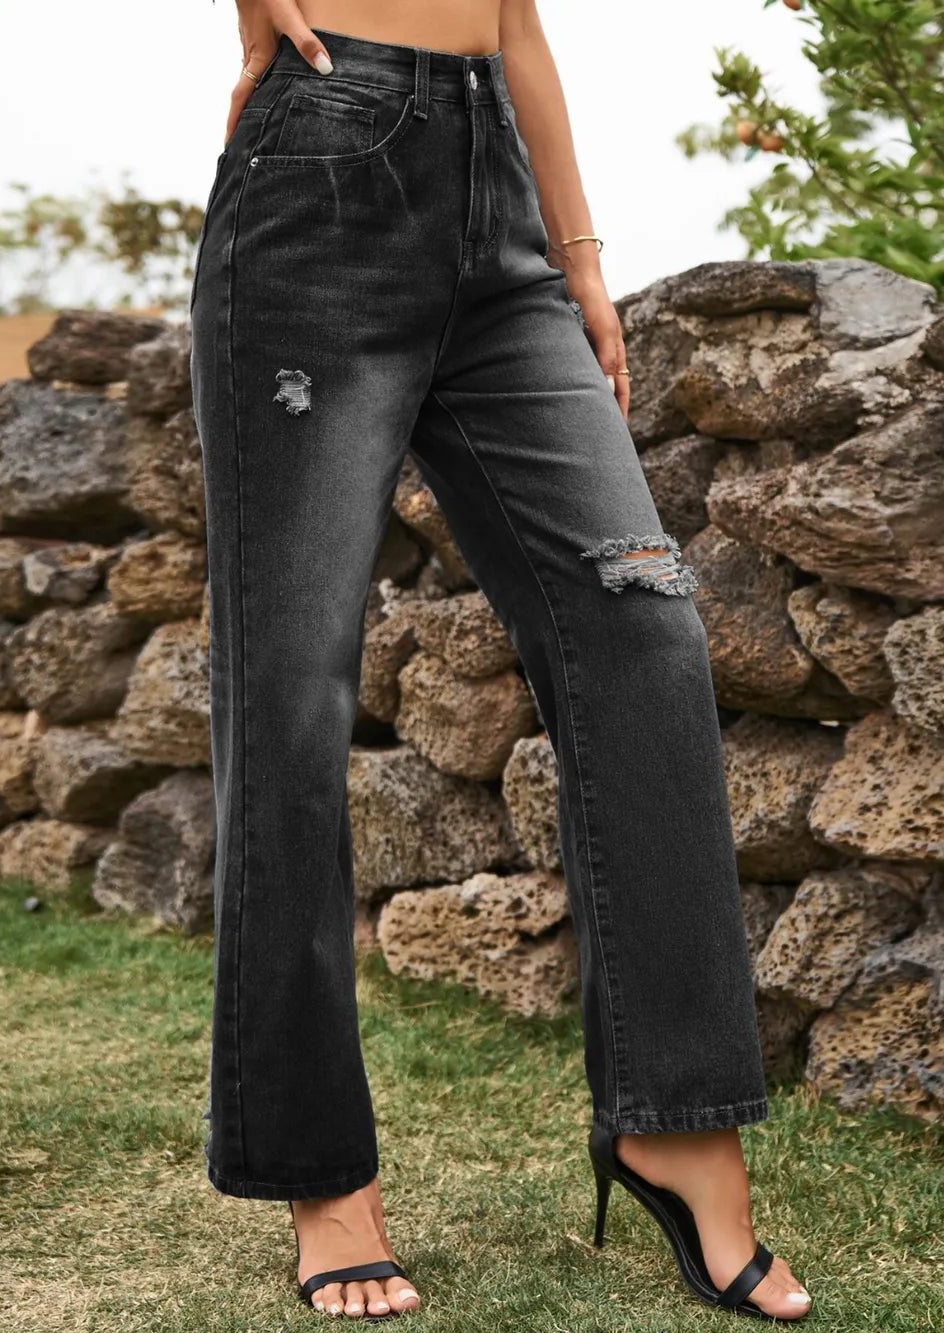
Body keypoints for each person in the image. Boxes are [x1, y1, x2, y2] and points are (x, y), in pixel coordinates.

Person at [190, 0, 814, 1322]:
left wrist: (578, 253)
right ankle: (324, 1179)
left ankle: (674, 1119)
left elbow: (515, 14)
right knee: (295, 690)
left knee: (643, 625)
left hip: (501, 198)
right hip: (319, 177)